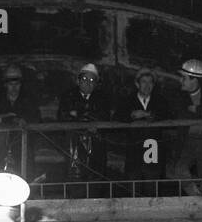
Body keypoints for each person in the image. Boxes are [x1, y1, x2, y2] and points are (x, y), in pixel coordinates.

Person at [169, 58, 202, 195]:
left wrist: (197, 110)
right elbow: (180, 112)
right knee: (179, 170)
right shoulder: (178, 95)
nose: (181, 81)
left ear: (195, 80)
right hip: (187, 143)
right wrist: (201, 112)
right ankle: (197, 197)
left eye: (184, 78)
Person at [115, 67, 172, 188]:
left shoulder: (160, 100)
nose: (147, 85)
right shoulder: (128, 100)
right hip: (134, 149)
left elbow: (168, 114)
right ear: (137, 84)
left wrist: (148, 114)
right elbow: (117, 116)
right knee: (133, 183)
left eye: (150, 82)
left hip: (153, 149)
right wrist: (132, 115)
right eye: (144, 82)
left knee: (152, 183)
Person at [57, 63, 110, 191]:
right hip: (73, 147)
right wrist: (84, 118)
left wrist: (78, 115)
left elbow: (104, 117)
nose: (88, 83)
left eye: (92, 80)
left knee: (95, 184)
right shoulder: (68, 96)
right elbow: (62, 116)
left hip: (96, 149)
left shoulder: (102, 98)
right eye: (85, 79)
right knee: (75, 182)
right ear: (78, 81)